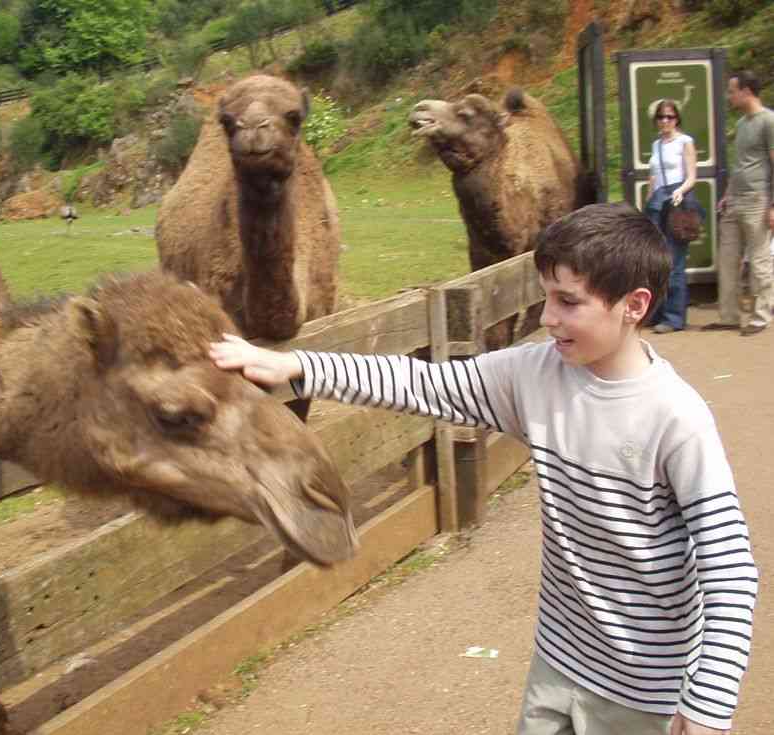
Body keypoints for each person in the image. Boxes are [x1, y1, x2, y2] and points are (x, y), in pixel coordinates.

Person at [210, 202, 757, 735]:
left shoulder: (676, 418)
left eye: (569, 302)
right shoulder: (534, 375)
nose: (547, 318)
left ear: (633, 305)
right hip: (559, 660)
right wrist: (295, 364)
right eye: (546, 296)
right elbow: (423, 384)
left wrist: (709, 701)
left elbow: (730, 569)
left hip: (644, 688)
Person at [703, 70, 774, 336]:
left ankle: (761, 316)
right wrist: (727, 194)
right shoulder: (743, 123)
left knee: (759, 259)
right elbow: (741, 164)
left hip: (758, 200)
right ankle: (729, 316)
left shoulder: (769, 121)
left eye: (732, 91)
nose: (729, 96)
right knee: (727, 259)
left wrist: (772, 206)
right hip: (735, 200)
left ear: (746, 91)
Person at [644, 99, 704, 334]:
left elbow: (692, 176)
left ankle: (674, 317)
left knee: (674, 262)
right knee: (656, 259)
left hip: (677, 203)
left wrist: (680, 191)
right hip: (657, 204)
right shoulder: (656, 144)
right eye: (661, 117)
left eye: (669, 117)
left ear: (677, 119)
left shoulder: (685, 142)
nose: (665, 121)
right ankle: (657, 312)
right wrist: (648, 200)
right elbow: (653, 176)